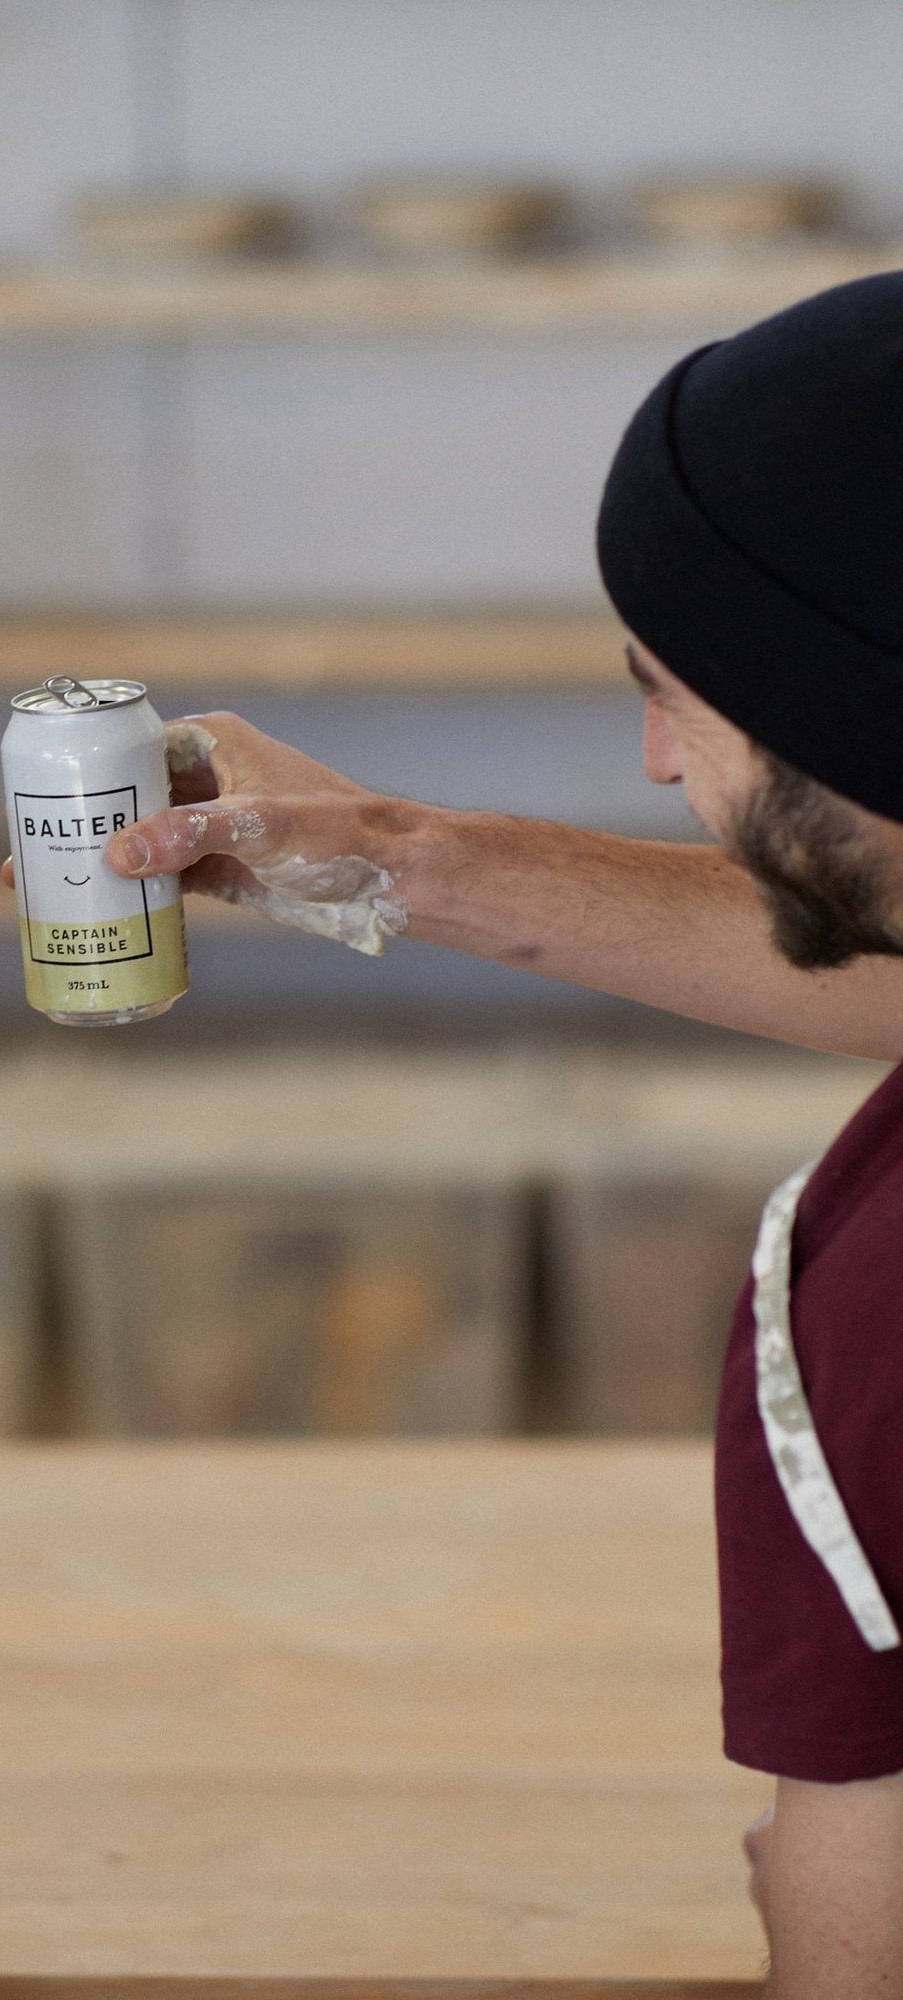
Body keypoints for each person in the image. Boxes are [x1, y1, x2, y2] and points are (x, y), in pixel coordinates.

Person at [106, 273, 903, 1999]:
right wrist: (385, 849)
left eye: (674, 695)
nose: (646, 759)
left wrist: (815, 1905)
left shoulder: (887, 1289)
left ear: (840, 706)